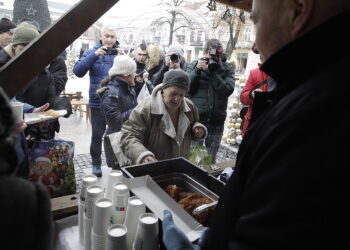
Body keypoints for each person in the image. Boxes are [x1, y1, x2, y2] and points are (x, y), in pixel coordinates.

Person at [162, 0, 349, 249]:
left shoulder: (314, 116)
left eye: (256, 21)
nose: (254, 45)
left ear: (298, 10)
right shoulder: (316, 89)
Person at [0, 88, 54, 250]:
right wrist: (8, 129)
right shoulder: (27, 199)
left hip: (16, 161)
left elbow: (11, 100)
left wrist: (31, 111)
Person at [120, 69, 207, 165]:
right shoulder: (146, 109)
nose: (177, 99)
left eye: (182, 95)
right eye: (173, 93)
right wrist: (143, 154)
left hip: (179, 167)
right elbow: (128, 136)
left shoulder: (189, 106)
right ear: (163, 89)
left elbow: (194, 123)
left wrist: (198, 129)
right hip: (153, 168)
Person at [73, 25, 121, 177]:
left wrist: (124, 58)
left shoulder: (119, 54)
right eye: (107, 36)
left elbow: (129, 74)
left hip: (116, 101)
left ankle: (116, 163)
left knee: (116, 134)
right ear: (101, 36)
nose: (109, 39)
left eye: (112, 37)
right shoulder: (91, 52)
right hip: (98, 101)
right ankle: (96, 164)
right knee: (97, 135)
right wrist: (94, 55)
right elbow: (77, 71)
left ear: (116, 38)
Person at [186, 38, 235, 163]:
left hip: (215, 122)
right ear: (205, 53)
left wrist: (212, 73)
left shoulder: (226, 68)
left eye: (217, 55)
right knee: (195, 160)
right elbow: (187, 89)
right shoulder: (194, 65)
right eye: (211, 54)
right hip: (198, 121)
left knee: (209, 159)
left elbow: (227, 90)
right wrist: (197, 70)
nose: (214, 58)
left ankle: (207, 180)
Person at [98, 55, 137, 169]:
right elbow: (115, 122)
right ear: (126, 74)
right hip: (116, 142)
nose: (135, 74)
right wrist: (138, 109)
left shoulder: (128, 87)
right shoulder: (111, 93)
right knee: (119, 179)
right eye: (133, 72)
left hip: (127, 138)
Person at [239, 45, 269, 136]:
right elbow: (243, 98)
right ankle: (199, 150)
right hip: (253, 125)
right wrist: (251, 94)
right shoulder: (255, 73)